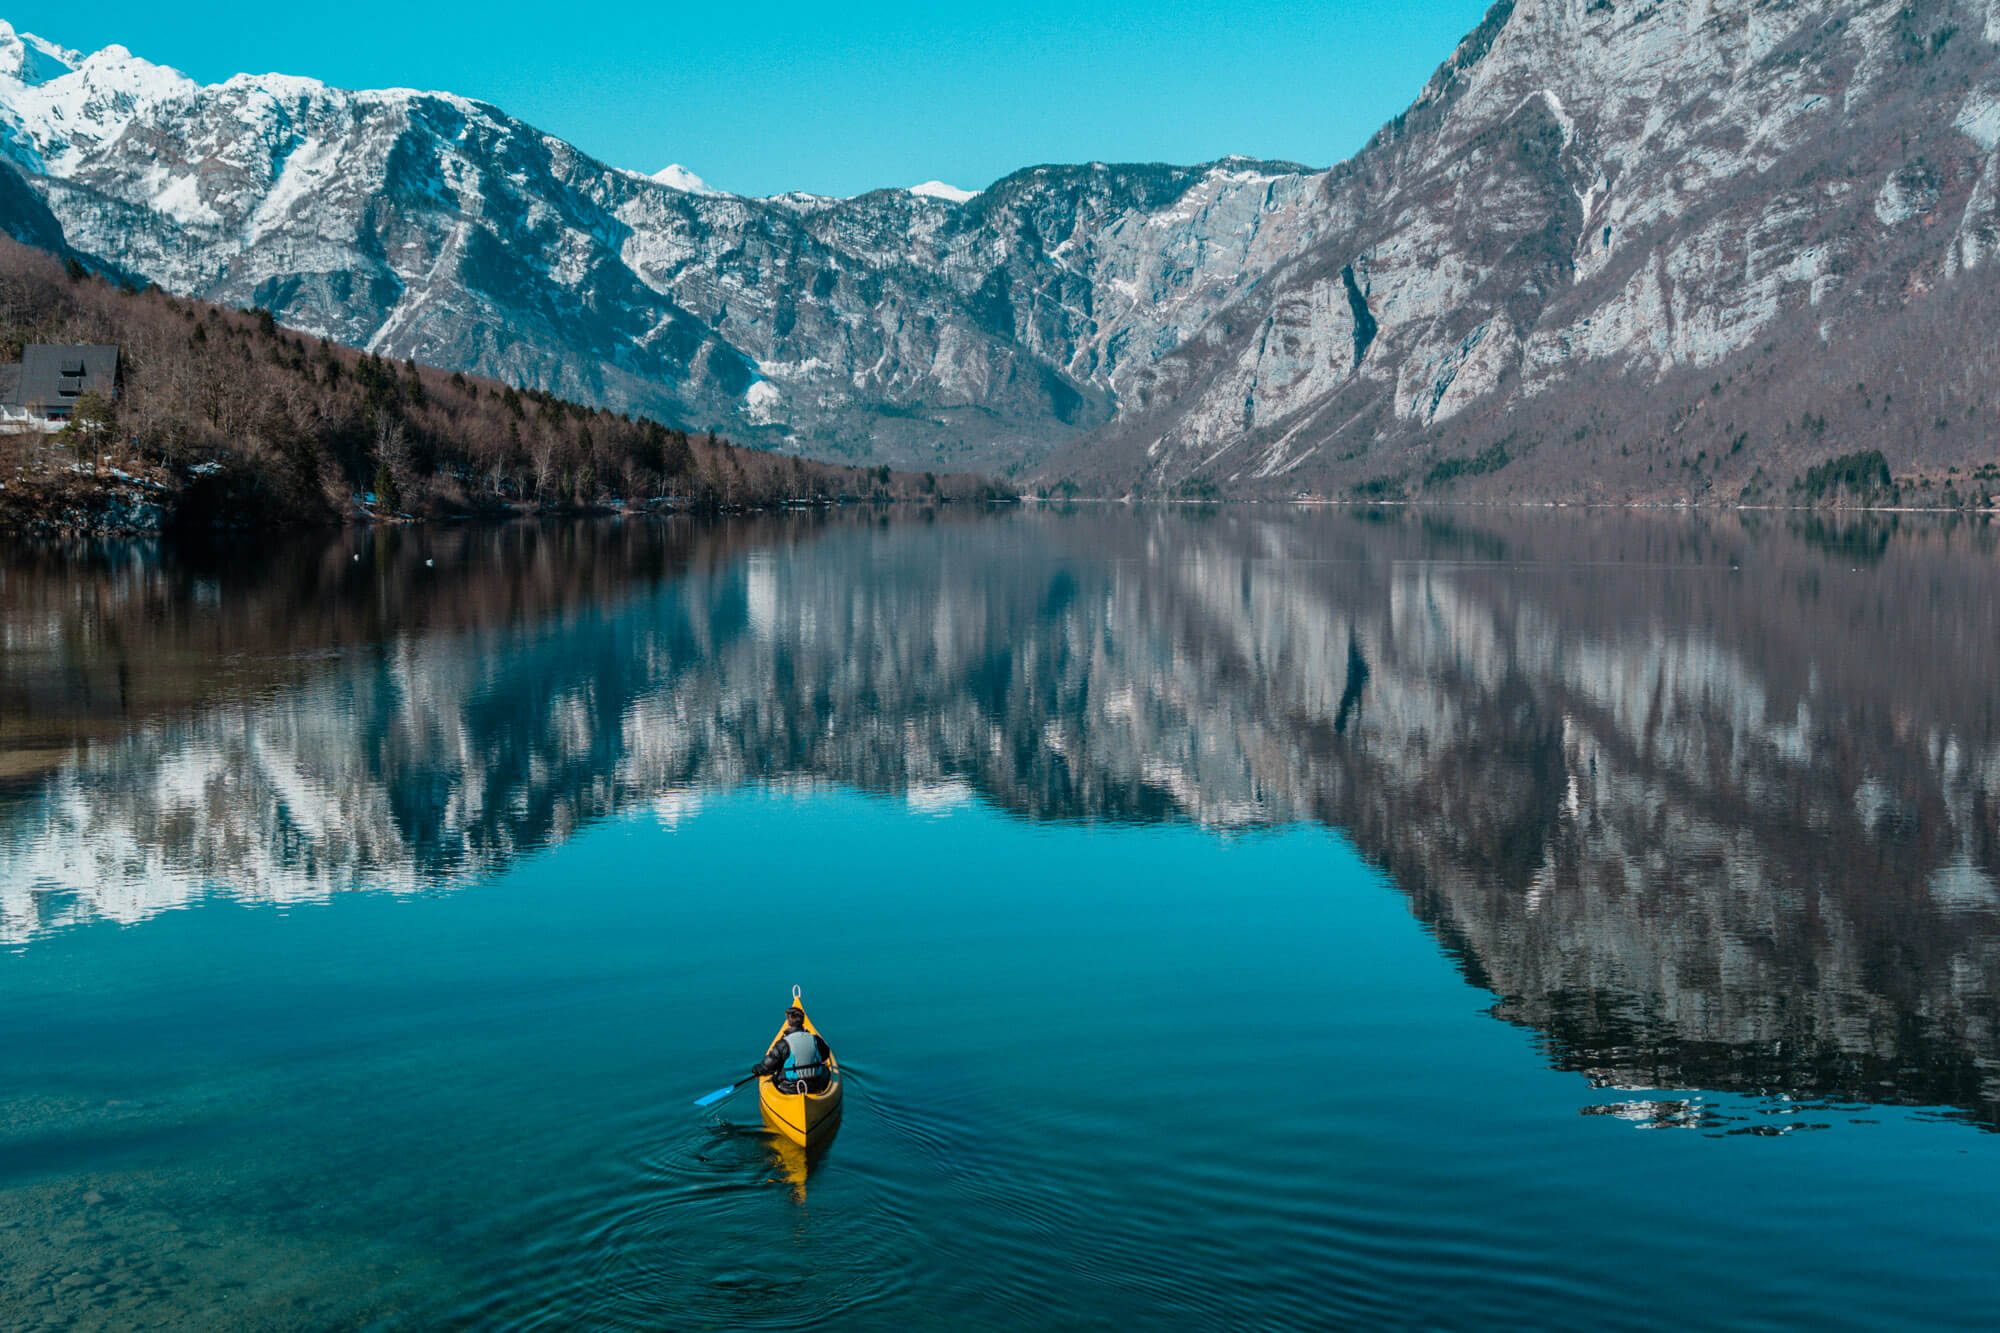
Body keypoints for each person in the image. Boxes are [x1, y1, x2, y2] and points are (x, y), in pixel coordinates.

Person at [753, 1006, 833, 1094]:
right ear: (802, 1022)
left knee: (776, 1073)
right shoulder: (815, 1040)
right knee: (825, 1069)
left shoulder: (783, 1044)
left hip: (789, 1088)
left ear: (788, 1023)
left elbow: (766, 1067)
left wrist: (756, 1070)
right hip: (815, 1085)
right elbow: (825, 1055)